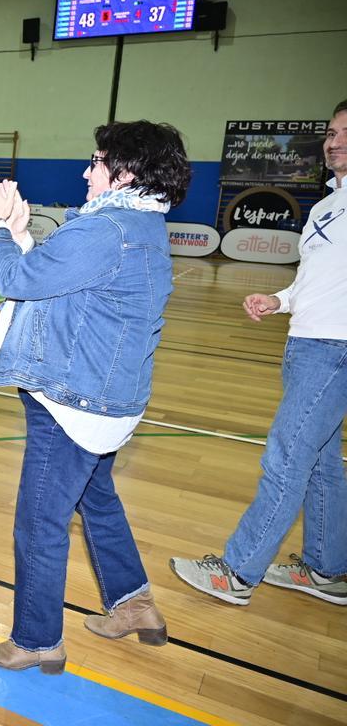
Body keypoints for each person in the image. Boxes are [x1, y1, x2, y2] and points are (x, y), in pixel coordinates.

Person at [0, 120, 191, 672]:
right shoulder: (138, 226)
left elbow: (19, 281)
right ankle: (134, 604)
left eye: (97, 160)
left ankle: (36, 640)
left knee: (39, 523)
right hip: (110, 396)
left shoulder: (107, 229)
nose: (87, 171)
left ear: (126, 170)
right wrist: (19, 236)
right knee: (97, 499)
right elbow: (53, 276)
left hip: (74, 401)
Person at [171, 101, 347, 607]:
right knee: (321, 464)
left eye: (344, 133)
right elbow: (319, 280)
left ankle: (237, 573)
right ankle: (327, 569)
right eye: (330, 133)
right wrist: (280, 300)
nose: (333, 142)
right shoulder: (325, 206)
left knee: (287, 458)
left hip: (334, 350)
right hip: (306, 343)